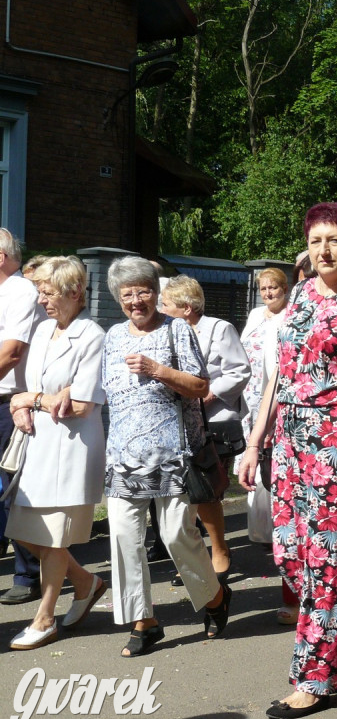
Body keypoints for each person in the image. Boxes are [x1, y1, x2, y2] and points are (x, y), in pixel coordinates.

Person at [237, 202, 337, 719]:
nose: (324, 250)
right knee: (294, 557)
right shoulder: (301, 293)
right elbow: (281, 374)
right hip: (290, 441)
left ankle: (314, 678)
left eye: (335, 240)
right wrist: (256, 438)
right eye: (315, 240)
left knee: (328, 563)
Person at [102, 256, 230, 657]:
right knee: (124, 538)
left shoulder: (176, 331)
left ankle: (213, 598)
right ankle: (144, 621)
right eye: (128, 295)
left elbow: (198, 385)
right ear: (118, 299)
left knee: (177, 535)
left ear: (156, 294)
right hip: (123, 456)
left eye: (144, 291)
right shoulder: (113, 336)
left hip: (173, 453)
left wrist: (158, 369)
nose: (136, 301)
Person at [5, 257, 107, 649]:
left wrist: (32, 399)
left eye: (47, 293)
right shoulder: (45, 329)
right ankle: (85, 582)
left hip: (71, 448)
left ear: (74, 292)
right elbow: (28, 392)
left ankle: (44, 617)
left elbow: (80, 405)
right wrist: (28, 401)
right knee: (27, 532)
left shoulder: (93, 335)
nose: (42, 300)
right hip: (38, 442)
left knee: (53, 536)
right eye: (39, 292)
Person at [160, 275, 250, 586]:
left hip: (212, 421)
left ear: (186, 308)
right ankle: (193, 559)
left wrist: (210, 393)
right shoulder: (164, 331)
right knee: (182, 495)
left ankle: (220, 550)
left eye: (166, 304)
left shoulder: (218, 328)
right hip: (175, 422)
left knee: (207, 490)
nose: (160, 308)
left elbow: (240, 369)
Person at [237, 267, 294, 623]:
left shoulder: (292, 317)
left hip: (278, 399)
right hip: (253, 396)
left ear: (285, 289)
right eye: (263, 288)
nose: (268, 293)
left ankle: (279, 531)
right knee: (254, 465)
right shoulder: (256, 315)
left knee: (274, 469)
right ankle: (262, 530)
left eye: (274, 287)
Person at [0, 228, 44, 605]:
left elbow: (12, 352)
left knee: (15, 488)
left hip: (9, 401)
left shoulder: (21, 292)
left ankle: (28, 573)